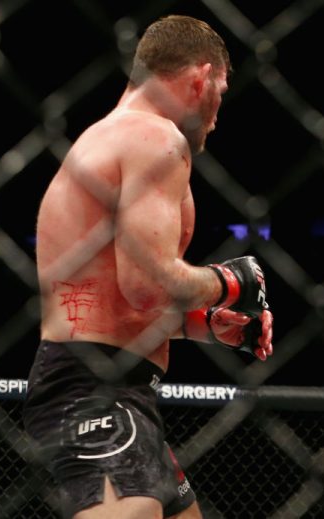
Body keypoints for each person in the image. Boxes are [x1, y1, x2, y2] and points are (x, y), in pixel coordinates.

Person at [22, 15, 273, 519]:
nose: (218, 113)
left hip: (115, 386)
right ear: (200, 79)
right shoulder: (155, 139)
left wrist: (208, 324)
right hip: (94, 391)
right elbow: (147, 282)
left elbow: (121, 296)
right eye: (220, 91)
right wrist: (230, 282)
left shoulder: (110, 138)